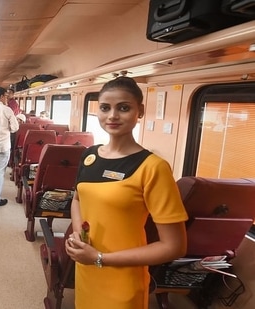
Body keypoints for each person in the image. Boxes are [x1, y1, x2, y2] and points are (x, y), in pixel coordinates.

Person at [64, 76, 187, 309]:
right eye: (105, 108)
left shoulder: (153, 168)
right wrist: (79, 235)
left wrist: (100, 258)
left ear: (139, 111)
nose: (112, 116)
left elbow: (174, 246)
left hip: (122, 279)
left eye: (123, 108)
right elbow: (78, 199)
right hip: (86, 269)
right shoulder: (89, 156)